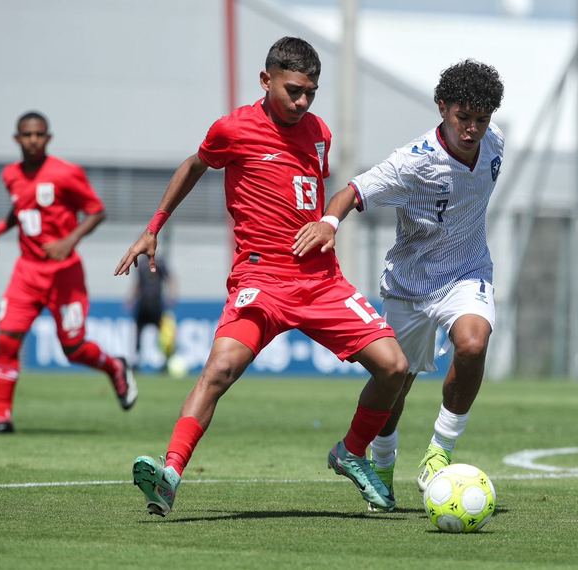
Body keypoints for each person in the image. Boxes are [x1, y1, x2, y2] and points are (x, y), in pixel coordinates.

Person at [115, 37, 408, 517]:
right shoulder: (233, 129)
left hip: (321, 281)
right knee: (219, 371)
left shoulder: (319, 132)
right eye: (294, 90)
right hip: (263, 279)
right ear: (265, 80)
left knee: (394, 367)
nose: (303, 101)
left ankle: (351, 453)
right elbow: (194, 165)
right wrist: (153, 228)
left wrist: (324, 225)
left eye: (311, 92)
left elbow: (306, 195)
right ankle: (169, 476)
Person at [294, 59, 504, 509]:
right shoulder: (413, 163)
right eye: (463, 117)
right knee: (396, 383)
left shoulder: (495, 144)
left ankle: (440, 448)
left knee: (473, 343)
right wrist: (330, 222)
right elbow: (351, 191)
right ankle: (383, 462)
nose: (472, 129)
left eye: (482, 120)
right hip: (410, 284)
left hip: (467, 273)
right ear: (442, 107)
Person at [0, 111, 137, 434]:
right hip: (26, 273)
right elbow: (22, 207)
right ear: (17, 139)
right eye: (27, 135)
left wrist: (69, 240)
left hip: (64, 274)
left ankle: (114, 367)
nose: (33, 140)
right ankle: (2, 417)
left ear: (48, 138)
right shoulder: (11, 174)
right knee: (7, 339)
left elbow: (97, 211)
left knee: (73, 348)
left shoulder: (66, 173)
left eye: (39, 134)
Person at [128, 255, 176, 370]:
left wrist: (171, 295)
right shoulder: (141, 264)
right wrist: (131, 299)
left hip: (156, 302)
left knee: (162, 332)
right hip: (143, 302)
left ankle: (164, 360)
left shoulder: (159, 262)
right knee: (138, 330)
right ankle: (136, 359)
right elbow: (138, 283)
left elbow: (170, 279)